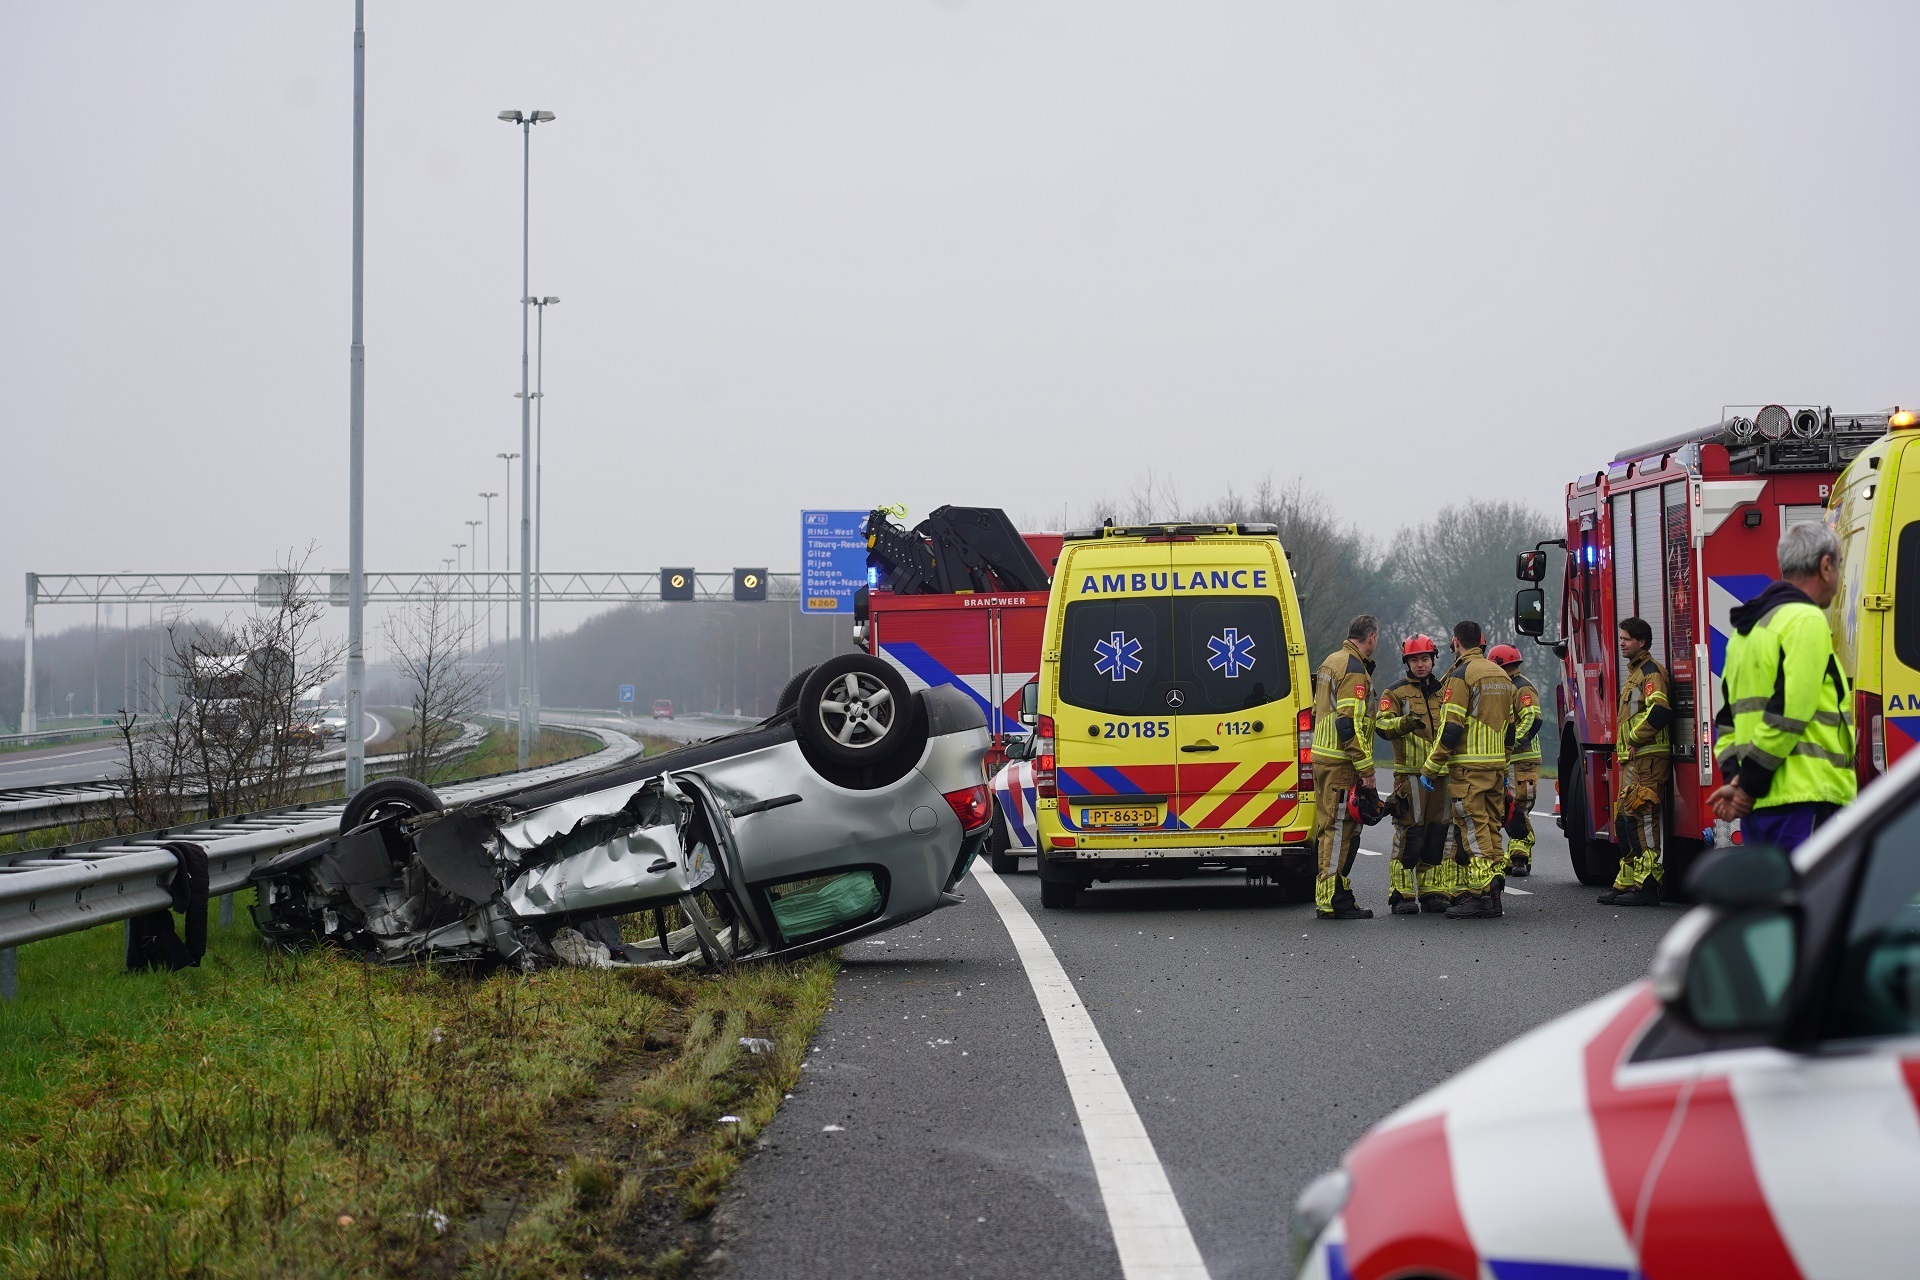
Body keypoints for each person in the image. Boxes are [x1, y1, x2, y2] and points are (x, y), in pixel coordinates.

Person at [1709, 522, 1856, 849]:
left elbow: (1727, 721)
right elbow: (1789, 712)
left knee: (1769, 884)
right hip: (1803, 798)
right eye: (1839, 565)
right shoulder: (1806, 620)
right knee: (1807, 884)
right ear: (1825, 566)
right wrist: (1748, 786)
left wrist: (1736, 781)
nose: (1839, 578)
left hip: (1758, 808)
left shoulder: (1747, 631)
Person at [1421, 621, 1515, 919]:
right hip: (1495, 767)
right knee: (1492, 827)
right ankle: (1494, 892)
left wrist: (1431, 767)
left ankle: (1482, 894)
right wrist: (1505, 765)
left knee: (1473, 830)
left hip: (1469, 770)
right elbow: (1511, 729)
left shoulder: (1462, 676)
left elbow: (1451, 727)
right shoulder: (1501, 674)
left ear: (1455, 641)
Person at [1376, 633, 1454, 913]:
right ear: (1406, 663)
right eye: (1414, 660)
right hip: (1410, 776)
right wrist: (1404, 723)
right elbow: (1381, 726)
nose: (1420, 664)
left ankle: (1432, 891)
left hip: (1442, 774)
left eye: (1424, 659)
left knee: (1437, 835)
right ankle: (1402, 894)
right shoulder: (1395, 692)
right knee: (1410, 834)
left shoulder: (1445, 692)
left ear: (1433, 660)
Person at [1311, 614, 1380, 920]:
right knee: (1340, 830)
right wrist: (1366, 769)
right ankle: (1333, 899)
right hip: (1341, 761)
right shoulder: (1354, 669)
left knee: (1329, 829)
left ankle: (1330, 894)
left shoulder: (1331, 661)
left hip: (1324, 757)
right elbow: (1347, 723)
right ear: (1371, 637)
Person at [1600, 617, 1670, 906]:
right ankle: (1627, 882)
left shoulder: (1651, 673)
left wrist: (1634, 739)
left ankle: (1649, 884)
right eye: (1621, 638)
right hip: (1634, 760)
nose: (1621, 643)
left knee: (1643, 818)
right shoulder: (1636, 673)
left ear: (1642, 642)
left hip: (1647, 759)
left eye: (1626, 639)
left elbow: (1659, 711)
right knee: (1625, 820)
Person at [1489, 643, 1542, 877]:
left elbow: (1532, 720)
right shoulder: (1504, 687)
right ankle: (1516, 856)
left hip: (1523, 759)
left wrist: (1508, 743)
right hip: (1506, 758)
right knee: (1507, 806)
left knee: (1519, 805)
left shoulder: (1521, 687)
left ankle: (1519, 855)